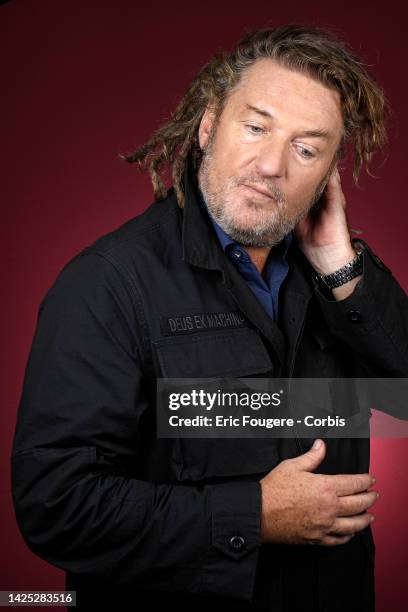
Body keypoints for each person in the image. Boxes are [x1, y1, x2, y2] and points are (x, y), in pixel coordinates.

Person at [11, 24, 408, 612]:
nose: (273, 165)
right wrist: (254, 515)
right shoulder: (106, 284)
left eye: (306, 148)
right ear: (207, 125)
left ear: (329, 175)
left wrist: (341, 268)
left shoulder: (340, 280)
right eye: (256, 127)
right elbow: (57, 506)